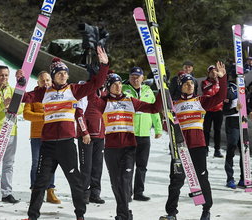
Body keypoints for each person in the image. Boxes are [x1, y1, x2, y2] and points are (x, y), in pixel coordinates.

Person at [21, 46, 109, 220]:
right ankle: (32, 216)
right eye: (59, 73)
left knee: (75, 181)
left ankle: (80, 215)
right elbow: (25, 97)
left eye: (65, 73)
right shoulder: (44, 91)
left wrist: (104, 65)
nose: (63, 75)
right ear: (53, 75)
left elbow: (96, 84)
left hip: (66, 144)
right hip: (47, 145)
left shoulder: (74, 90)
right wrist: (20, 82)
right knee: (40, 182)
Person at [89, 72, 162, 220]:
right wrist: (95, 79)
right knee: (116, 184)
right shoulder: (103, 102)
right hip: (111, 149)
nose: (118, 86)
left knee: (124, 180)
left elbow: (154, 108)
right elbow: (90, 97)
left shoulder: (131, 101)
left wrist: (161, 89)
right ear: (108, 87)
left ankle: (122, 214)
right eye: (114, 84)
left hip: (129, 148)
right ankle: (125, 212)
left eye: (120, 84)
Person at [161, 61, 227, 220]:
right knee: (176, 180)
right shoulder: (173, 105)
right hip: (179, 148)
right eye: (186, 83)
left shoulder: (201, 101)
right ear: (181, 86)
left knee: (202, 178)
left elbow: (221, 96)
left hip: (198, 146)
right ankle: (171, 213)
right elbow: (166, 128)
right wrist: (164, 116)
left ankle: (206, 210)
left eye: (192, 83)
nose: (190, 86)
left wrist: (223, 78)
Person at [122, 67, 163, 202]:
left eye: (137, 76)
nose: (135, 79)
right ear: (129, 77)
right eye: (132, 76)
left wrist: (158, 128)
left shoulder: (148, 91)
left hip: (144, 133)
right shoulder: (123, 89)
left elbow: (155, 110)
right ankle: (126, 193)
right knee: (127, 166)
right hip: (128, 132)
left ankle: (139, 192)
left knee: (142, 165)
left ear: (142, 78)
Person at [0, 65, 24, 204]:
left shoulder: (13, 90)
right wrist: (3, 105)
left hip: (11, 131)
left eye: (6, 75)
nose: (4, 78)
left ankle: (7, 193)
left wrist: (12, 106)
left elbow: (21, 108)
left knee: (9, 164)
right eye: (1, 75)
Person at [23, 71, 61, 204]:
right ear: (38, 82)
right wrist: (44, 117)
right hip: (37, 135)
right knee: (36, 163)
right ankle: (35, 190)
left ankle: (50, 191)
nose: (45, 83)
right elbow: (27, 114)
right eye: (42, 80)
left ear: (52, 81)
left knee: (51, 164)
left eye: (48, 80)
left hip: (52, 135)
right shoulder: (32, 96)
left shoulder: (56, 95)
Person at [75, 77, 107, 205]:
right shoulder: (86, 90)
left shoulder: (105, 92)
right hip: (86, 136)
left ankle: (95, 193)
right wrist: (84, 132)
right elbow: (78, 112)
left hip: (100, 135)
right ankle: (84, 193)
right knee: (85, 166)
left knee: (97, 166)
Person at [223, 71, 244, 189]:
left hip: (243, 121)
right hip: (232, 121)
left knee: (244, 150)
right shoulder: (229, 89)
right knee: (232, 147)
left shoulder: (244, 89)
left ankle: (244, 178)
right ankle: (230, 178)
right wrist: (236, 109)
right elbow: (224, 111)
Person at [201, 65, 224, 158]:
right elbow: (205, 90)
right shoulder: (204, 82)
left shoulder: (220, 82)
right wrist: (214, 82)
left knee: (217, 130)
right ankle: (205, 149)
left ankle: (217, 150)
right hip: (208, 110)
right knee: (206, 130)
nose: (214, 73)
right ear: (208, 73)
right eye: (212, 72)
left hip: (218, 110)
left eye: (215, 71)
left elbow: (223, 92)